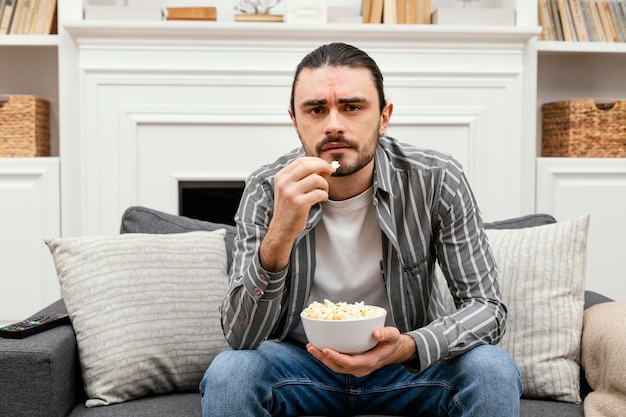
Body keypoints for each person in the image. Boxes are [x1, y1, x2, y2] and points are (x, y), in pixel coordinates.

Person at [200, 42, 522, 416]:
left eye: (352, 107)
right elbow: (242, 336)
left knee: (492, 368)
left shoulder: (436, 179)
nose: (334, 124)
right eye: (316, 109)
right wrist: (280, 234)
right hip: (301, 365)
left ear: (384, 117)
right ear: (295, 121)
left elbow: (487, 308)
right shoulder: (266, 188)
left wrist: (410, 347)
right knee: (231, 372)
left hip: (406, 365)